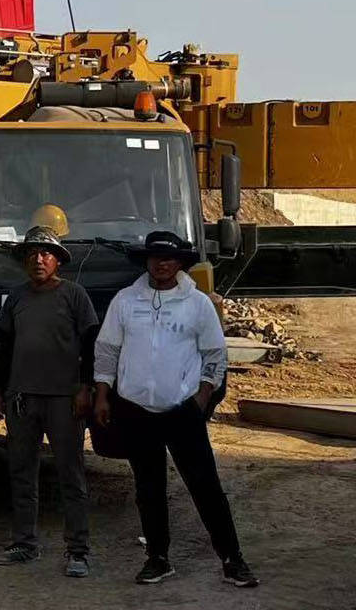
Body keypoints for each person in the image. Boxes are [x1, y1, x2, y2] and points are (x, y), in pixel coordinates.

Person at [92, 230, 258, 588]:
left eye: (168, 258)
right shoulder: (126, 300)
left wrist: (202, 397)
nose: (161, 264)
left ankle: (233, 560)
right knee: (148, 488)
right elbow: (107, 350)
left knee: (205, 486)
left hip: (182, 411)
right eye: (155, 257)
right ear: (146, 261)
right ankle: (158, 558)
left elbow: (215, 354)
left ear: (180, 262)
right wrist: (103, 394)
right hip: (135, 410)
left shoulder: (197, 304)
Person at [0, 225, 99, 578]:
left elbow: (90, 345)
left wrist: (85, 387)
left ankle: (78, 550)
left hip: (64, 399)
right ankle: (24, 543)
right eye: (32, 253)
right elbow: (5, 348)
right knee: (22, 472)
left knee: (71, 475)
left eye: (46, 253)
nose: (38, 259)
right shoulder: (17, 297)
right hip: (22, 397)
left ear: (58, 260)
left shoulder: (74, 295)